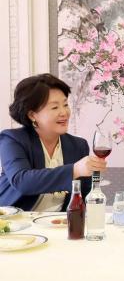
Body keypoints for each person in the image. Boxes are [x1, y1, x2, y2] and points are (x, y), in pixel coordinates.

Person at [0, 74, 107, 211]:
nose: (64, 112)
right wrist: (74, 170)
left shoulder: (78, 146)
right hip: (14, 224)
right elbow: (22, 181)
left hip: (58, 226)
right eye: (55, 107)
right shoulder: (12, 140)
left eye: (65, 104)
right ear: (32, 115)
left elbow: (84, 196)